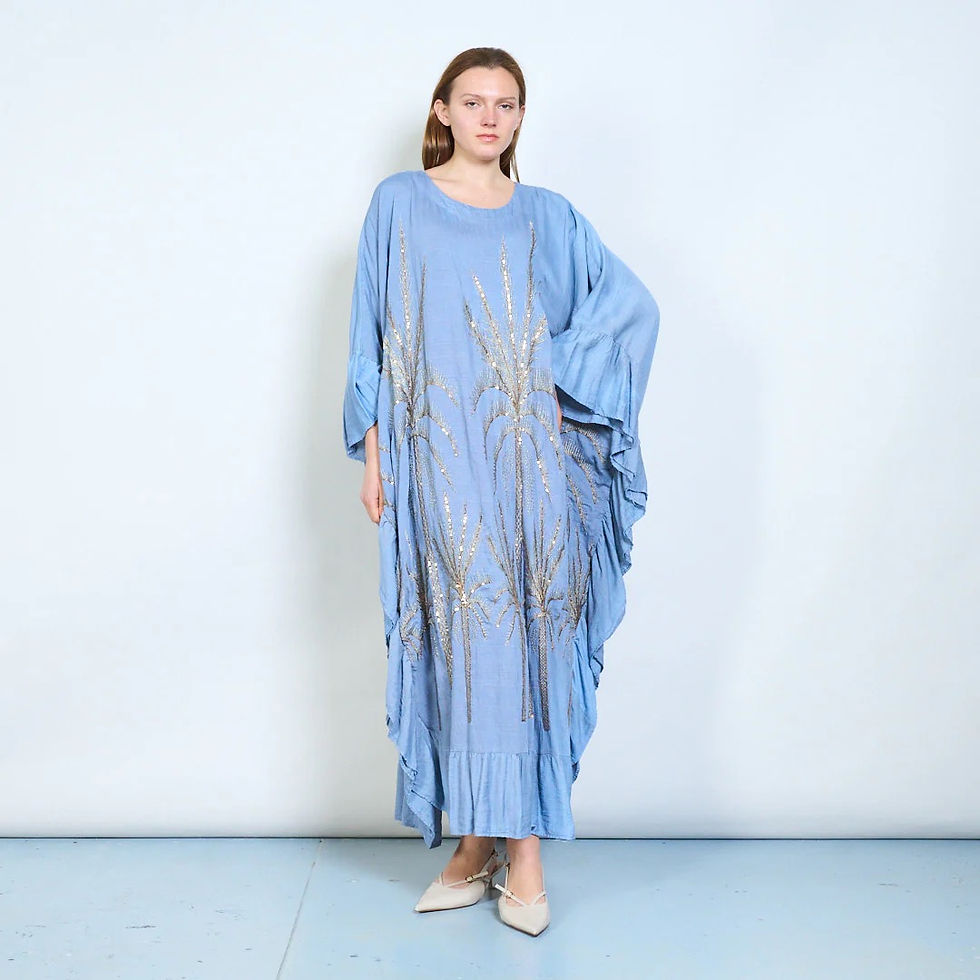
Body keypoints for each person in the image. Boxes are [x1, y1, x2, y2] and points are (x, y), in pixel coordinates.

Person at [342, 46, 660, 936]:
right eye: (474, 101)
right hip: (436, 467)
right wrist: (375, 455)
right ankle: (477, 841)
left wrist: (550, 376)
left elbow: (630, 308)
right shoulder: (399, 204)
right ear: (441, 110)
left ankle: (521, 851)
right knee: (462, 650)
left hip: (530, 473)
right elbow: (371, 331)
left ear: (521, 117)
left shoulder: (548, 218)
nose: (490, 117)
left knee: (527, 649)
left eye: (507, 104)